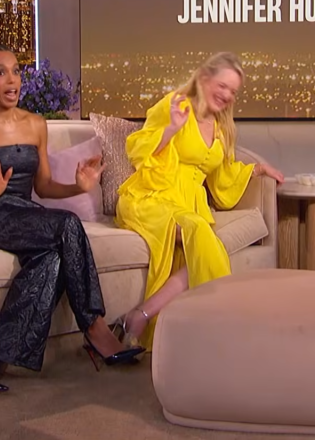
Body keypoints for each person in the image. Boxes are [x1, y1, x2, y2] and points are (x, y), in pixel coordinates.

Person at [0, 43, 144, 392]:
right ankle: (95, 327)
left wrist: (79, 187)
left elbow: (45, 187)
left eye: (16, 71)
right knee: (67, 225)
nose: (12, 80)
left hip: (21, 212)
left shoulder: (36, 124)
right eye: (0, 72)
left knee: (50, 260)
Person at [114, 52, 284, 347]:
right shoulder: (175, 105)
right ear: (204, 79)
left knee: (206, 246)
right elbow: (138, 150)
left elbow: (222, 179)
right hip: (153, 196)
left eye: (233, 91)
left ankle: (140, 316)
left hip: (189, 204)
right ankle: (223, 330)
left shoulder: (222, 127)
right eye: (223, 86)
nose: (228, 95)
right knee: (201, 234)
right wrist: (171, 130)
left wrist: (258, 168)